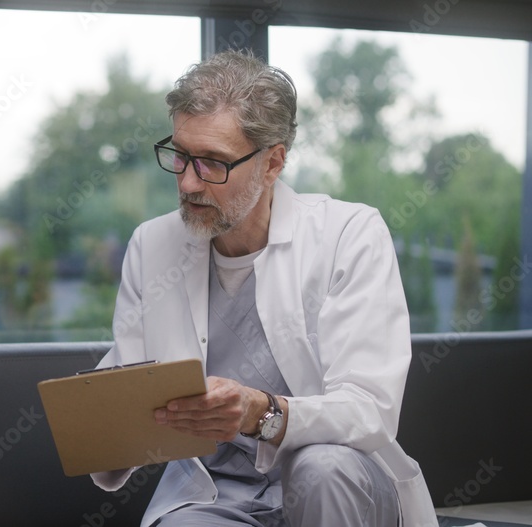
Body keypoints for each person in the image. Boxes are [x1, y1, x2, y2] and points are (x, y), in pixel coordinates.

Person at [90, 50, 438, 527]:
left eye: (212, 163)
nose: (189, 182)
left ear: (273, 163)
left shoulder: (349, 233)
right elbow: (128, 385)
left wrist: (262, 413)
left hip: (340, 483)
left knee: (322, 466)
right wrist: (98, 423)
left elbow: (369, 410)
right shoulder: (152, 246)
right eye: (181, 156)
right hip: (215, 493)